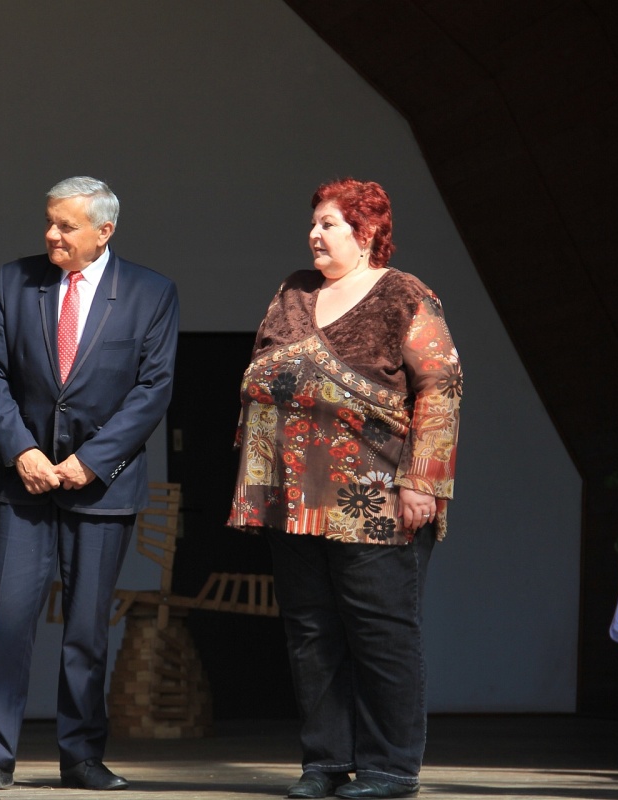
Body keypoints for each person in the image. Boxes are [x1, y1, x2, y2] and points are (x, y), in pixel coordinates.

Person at [228, 179, 461, 799]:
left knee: (381, 632)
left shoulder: (403, 294)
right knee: (311, 633)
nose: (314, 234)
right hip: (294, 496)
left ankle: (389, 768)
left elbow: (439, 388)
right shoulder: (293, 290)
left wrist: (423, 481)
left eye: (328, 224)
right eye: (314, 223)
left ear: (367, 232)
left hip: (376, 495)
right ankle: (326, 762)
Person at [0, 177, 179, 793]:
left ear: (105, 231)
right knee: (9, 620)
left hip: (101, 486)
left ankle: (81, 757)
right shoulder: (14, 280)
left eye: (66, 226)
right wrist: (21, 449)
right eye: (49, 222)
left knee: (86, 628)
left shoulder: (152, 292)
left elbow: (153, 388)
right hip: (23, 481)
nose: (51, 234)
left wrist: (92, 461)